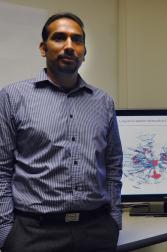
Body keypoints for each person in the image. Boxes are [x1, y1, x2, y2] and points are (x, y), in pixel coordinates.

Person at [0, 12, 123, 252]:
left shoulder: (103, 102)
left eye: (77, 40)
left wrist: (114, 220)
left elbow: (113, 164)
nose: (69, 46)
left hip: (96, 231)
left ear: (84, 52)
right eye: (60, 38)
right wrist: (6, 231)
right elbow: (1, 169)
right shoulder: (12, 97)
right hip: (33, 234)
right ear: (43, 48)